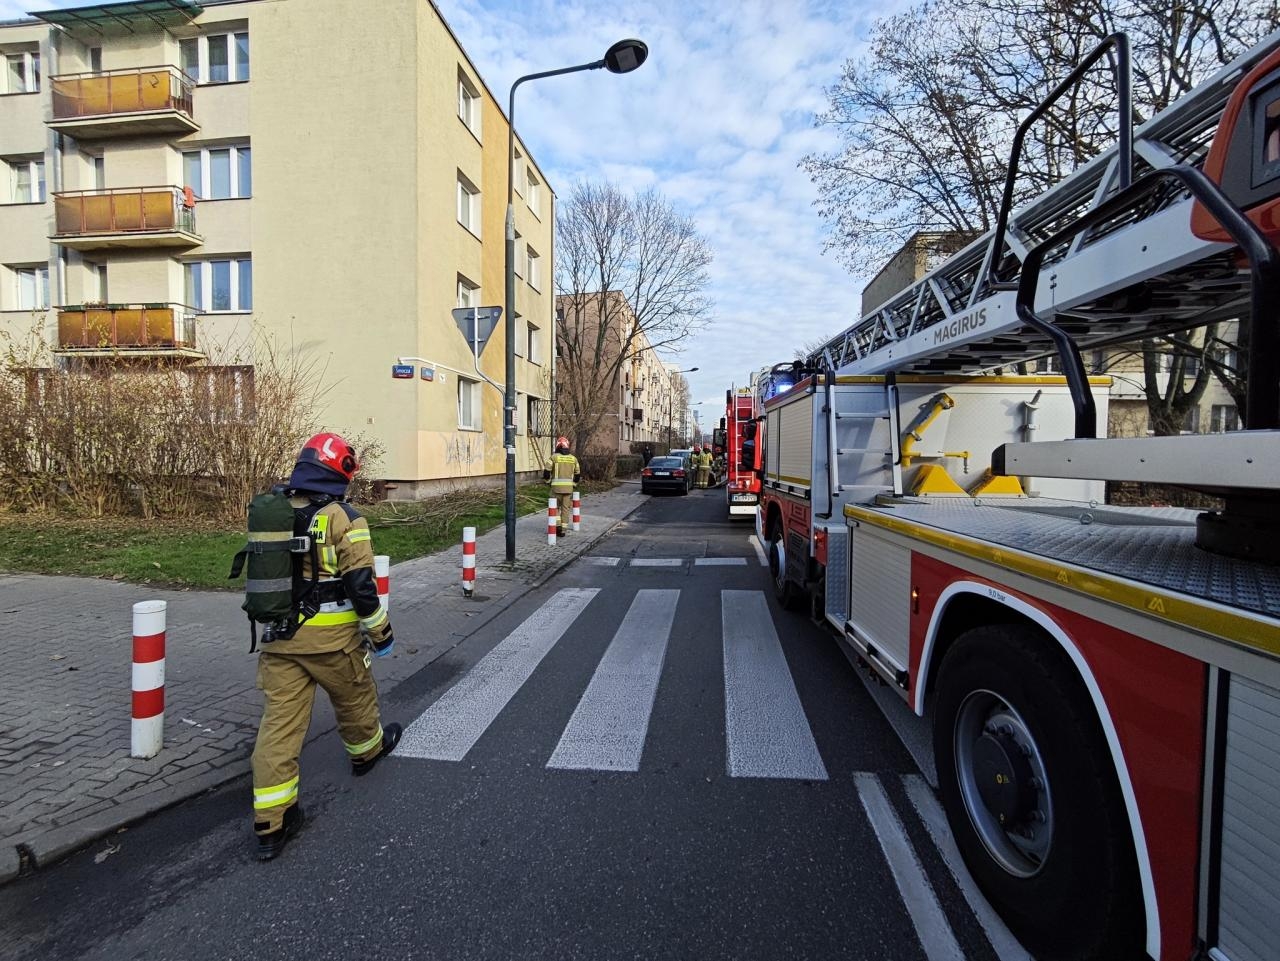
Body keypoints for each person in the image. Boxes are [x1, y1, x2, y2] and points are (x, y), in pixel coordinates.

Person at [250, 432, 401, 861]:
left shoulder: (276, 510)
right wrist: (381, 633)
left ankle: (270, 823)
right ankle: (366, 753)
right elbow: (361, 586)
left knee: (278, 728)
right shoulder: (343, 518)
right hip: (332, 643)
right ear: (342, 471)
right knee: (355, 698)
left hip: (279, 641)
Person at [545, 436, 581, 537]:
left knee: (554, 508)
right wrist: (574, 484)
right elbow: (578, 474)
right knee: (565, 509)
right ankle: (563, 530)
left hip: (556, 489)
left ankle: (557, 525)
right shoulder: (574, 459)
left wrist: (548, 482)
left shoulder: (554, 457)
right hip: (568, 489)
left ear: (558, 446)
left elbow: (546, 472)